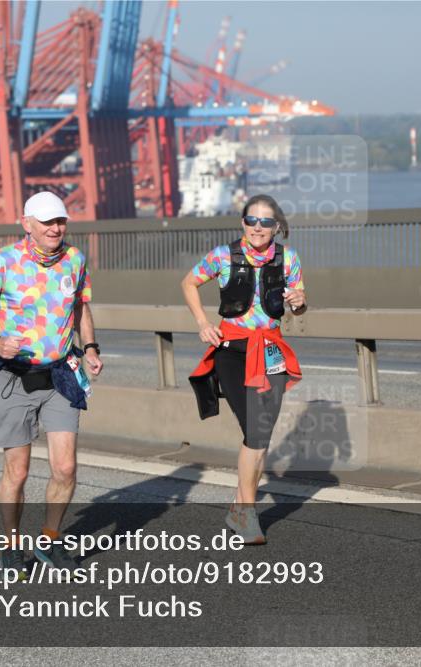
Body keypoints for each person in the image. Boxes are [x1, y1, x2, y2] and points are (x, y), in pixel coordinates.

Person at [0, 191, 103, 572]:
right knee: (17, 472)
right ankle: (10, 545)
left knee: (66, 468)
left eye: (61, 221)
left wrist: (89, 348)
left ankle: (49, 542)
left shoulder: (74, 259)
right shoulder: (4, 261)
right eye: (47, 222)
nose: (56, 228)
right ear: (27, 224)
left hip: (59, 376)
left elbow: (80, 306)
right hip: (12, 378)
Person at [184, 193, 306, 545]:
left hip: (270, 351)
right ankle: (246, 512)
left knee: (261, 432)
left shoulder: (289, 259)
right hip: (232, 351)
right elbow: (189, 283)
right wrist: (202, 322)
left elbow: (297, 305)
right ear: (242, 222)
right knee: (255, 428)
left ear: (277, 226)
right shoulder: (223, 256)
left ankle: (240, 505)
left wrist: (299, 303)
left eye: (266, 222)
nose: (258, 227)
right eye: (251, 220)